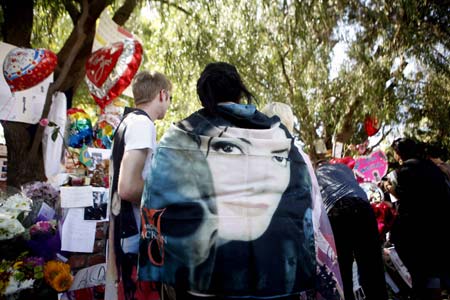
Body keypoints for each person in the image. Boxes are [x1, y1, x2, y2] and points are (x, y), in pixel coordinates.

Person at [138, 63, 343, 299]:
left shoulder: (179, 136)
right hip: (274, 287)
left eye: (277, 157)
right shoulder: (278, 134)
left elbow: (155, 196)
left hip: (201, 288)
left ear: (203, 96)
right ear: (238, 91)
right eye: (227, 149)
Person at [106, 71, 172, 300]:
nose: (168, 104)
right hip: (133, 235)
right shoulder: (143, 125)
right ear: (162, 94)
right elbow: (127, 187)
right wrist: (165, 196)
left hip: (124, 231)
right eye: (170, 97)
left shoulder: (129, 120)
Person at [384, 138, 450, 300]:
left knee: (420, 275)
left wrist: (388, 188)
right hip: (438, 227)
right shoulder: (432, 167)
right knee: (432, 274)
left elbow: (405, 196)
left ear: (400, 154)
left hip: (417, 231)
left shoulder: (406, 170)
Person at [315, 160, 388, 300]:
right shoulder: (343, 168)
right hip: (362, 207)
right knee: (372, 263)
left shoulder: (315, 174)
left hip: (336, 212)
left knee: (343, 267)